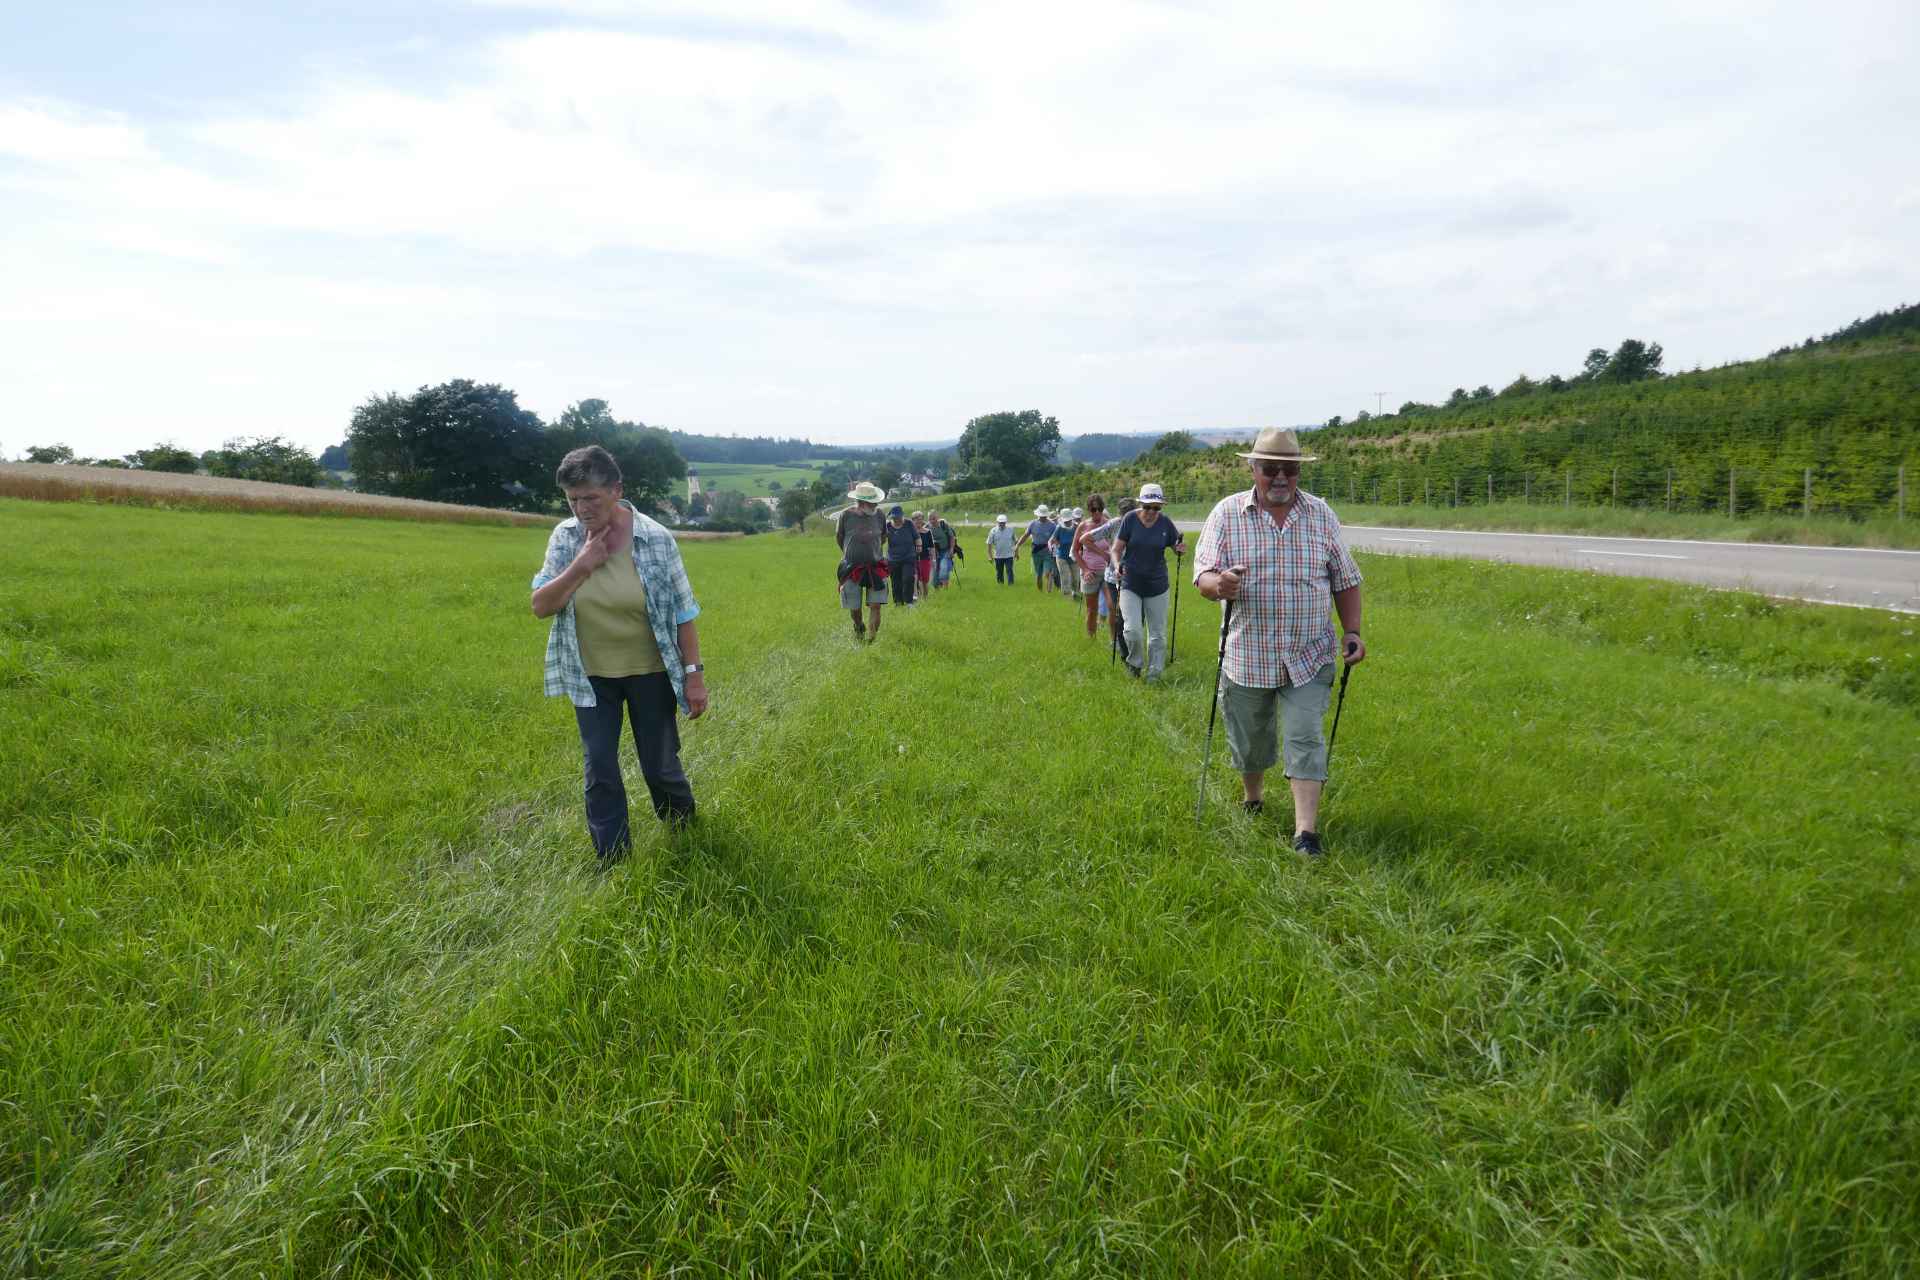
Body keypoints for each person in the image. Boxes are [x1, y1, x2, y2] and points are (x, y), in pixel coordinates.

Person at [1192, 427, 1365, 858]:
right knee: (1250, 740)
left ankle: (1306, 832)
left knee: (1305, 736)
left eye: (1290, 469)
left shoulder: (1321, 515)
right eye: (1271, 469)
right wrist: (1220, 584)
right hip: (1248, 655)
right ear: (1253, 469)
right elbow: (1203, 575)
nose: (1281, 477)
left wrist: (1352, 631)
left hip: (1310, 654)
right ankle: (1253, 796)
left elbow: (1345, 579)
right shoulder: (1227, 514)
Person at [531, 445, 708, 861]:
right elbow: (541, 605)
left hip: (650, 671)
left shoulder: (656, 538)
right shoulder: (565, 538)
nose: (582, 509)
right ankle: (613, 859)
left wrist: (694, 677)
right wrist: (582, 564)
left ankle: (684, 830)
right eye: (573, 499)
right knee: (600, 767)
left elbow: (684, 613)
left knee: (660, 765)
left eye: (591, 498)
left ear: (616, 490)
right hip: (591, 674)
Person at [1110, 483, 1186, 681]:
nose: (1151, 511)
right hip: (1130, 583)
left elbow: (1175, 546)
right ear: (1140, 504)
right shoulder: (1130, 519)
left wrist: (1179, 549)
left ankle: (1154, 674)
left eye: (1156, 507)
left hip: (1157, 585)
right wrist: (1117, 565)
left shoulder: (1165, 523)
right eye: (1147, 507)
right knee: (1132, 630)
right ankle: (1135, 663)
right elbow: (1116, 549)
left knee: (1157, 634)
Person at [836, 481, 889, 642]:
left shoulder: (880, 515)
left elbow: (883, 537)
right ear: (861, 502)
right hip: (852, 568)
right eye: (872, 502)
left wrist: (872, 550)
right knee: (854, 607)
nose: (875, 505)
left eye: (876, 501)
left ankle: (872, 639)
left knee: (876, 605)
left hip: (876, 566)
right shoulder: (846, 515)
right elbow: (839, 537)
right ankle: (858, 625)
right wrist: (851, 552)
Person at [1072, 494, 1115, 641]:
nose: (1097, 513)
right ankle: (1092, 639)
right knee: (1092, 610)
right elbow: (1075, 551)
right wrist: (1085, 570)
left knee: (1112, 607)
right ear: (1089, 510)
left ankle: (1114, 641)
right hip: (1090, 573)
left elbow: (1117, 546)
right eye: (1093, 510)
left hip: (1108, 572)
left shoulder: (1109, 524)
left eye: (1100, 509)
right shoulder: (1083, 526)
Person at [1013, 505, 1058, 592]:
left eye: (1044, 516)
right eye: (1041, 516)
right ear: (1038, 515)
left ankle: (1049, 592)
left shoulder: (1052, 525)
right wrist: (1017, 546)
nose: (1043, 518)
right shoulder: (1033, 524)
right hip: (1036, 551)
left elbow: (1056, 538)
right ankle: (1040, 592)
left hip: (1047, 551)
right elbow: (1025, 535)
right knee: (1038, 575)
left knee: (1047, 573)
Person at [884, 505, 917, 607]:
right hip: (893, 559)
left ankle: (909, 601)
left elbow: (917, 537)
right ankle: (898, 602)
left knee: (908, 578)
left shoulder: (908, 523)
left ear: (902, 516)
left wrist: (919, 547)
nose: (896, 519)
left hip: (908, 557)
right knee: (895, 581)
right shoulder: (888, 526)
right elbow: (881, 540)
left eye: (898, 517)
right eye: (894, 518)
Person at [1052, 508, 1079, 602]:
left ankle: (1075, 593)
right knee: (1065, 577)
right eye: (1065, 521)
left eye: (1069, 520)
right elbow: (1053, 539)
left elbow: (1081, 538)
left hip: (1074, 556)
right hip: (1061, 556)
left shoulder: (1076, 527)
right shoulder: (1059, 528)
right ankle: (1067, 597)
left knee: (1076, 578)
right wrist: (1058, 544)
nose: (1067, 522)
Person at [986, 514, 1017, 584]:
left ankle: (1011, 585)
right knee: (999, 572)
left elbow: (1016, 542)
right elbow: (989, 544)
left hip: (1009, 555)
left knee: (1009, 570)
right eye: (1000, 523)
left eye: (1003, 523)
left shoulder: (1010, 530)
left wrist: (1016, 553)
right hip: (998, 556)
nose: (1002, 524)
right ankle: (1000, 585)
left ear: (1005, 522)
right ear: (997, 522)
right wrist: (990, 556)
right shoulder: (993, 531)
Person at [929, 509, 955, 589]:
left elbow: (952, 537)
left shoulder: (944, 525)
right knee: (935, 577)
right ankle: (938, 591)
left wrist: (951, 549)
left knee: (943, 569)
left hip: (945, 551)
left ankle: (945, 589)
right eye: (930, 519)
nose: (932, 521)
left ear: (938, 517)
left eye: (934, 518)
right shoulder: (927, 527)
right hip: (934, 553)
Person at [913, 511, 935, 600]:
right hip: (913, 559)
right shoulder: (911, 532)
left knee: (925, 580)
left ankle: (925, 597)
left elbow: (932, 546)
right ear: (913, 520)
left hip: (925, 559)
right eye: (916, 519)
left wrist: (933, 559)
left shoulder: (927, 532)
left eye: (920, 519)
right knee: (915, 579)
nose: (919, 521)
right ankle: (917, 596)